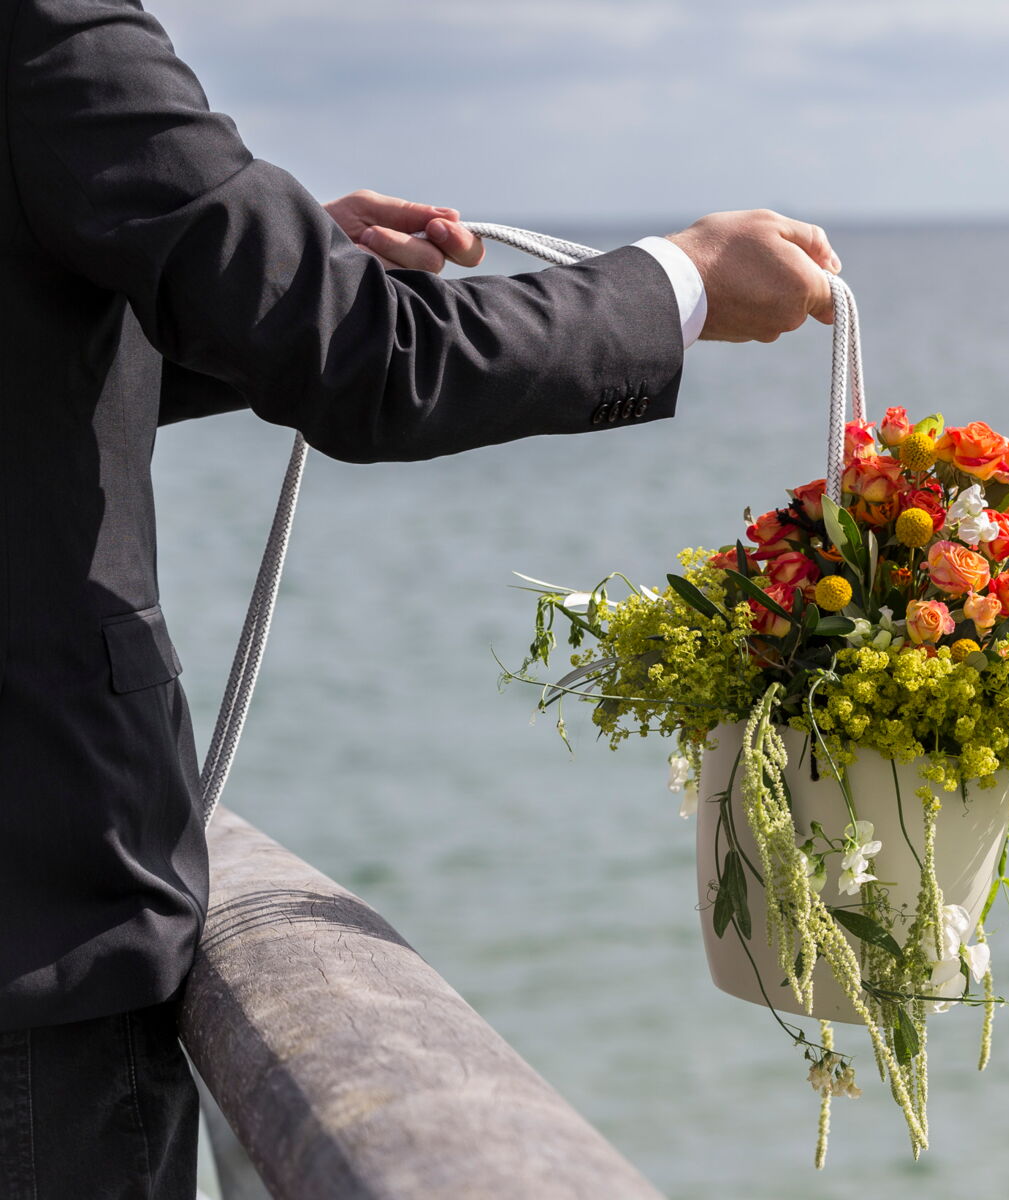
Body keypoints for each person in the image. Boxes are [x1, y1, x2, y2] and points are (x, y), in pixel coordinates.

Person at [0, 1, 843, 1194]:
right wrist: (681, 284)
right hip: (34, 939)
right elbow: (374, 362)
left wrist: (267, 282)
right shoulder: (43, 27)